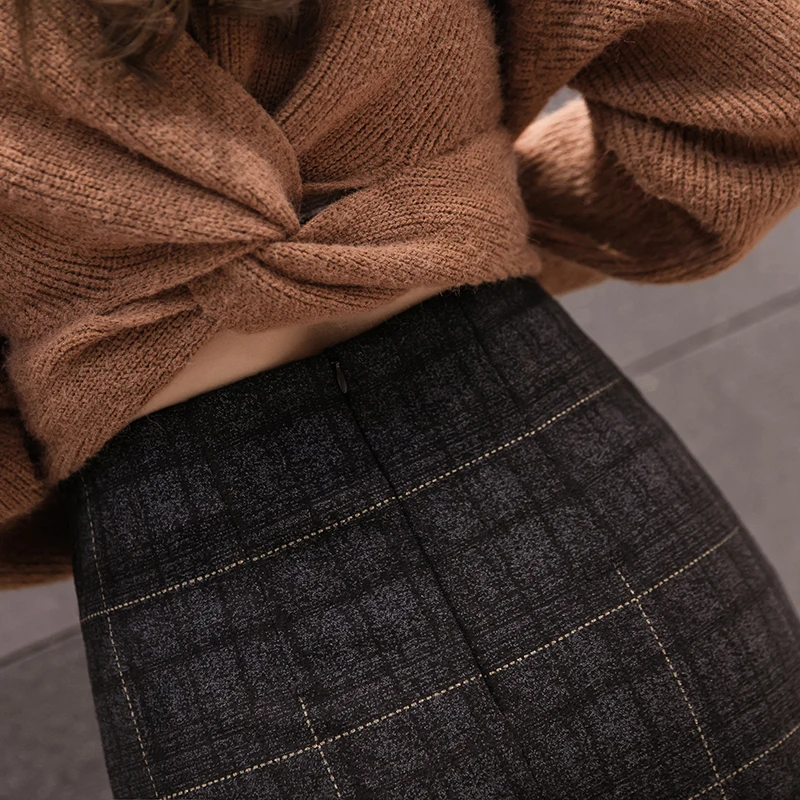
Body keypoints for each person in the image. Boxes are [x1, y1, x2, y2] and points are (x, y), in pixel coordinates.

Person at [1, 0, 799, 796]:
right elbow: (763, 86)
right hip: (601, 526)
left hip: (205, 611)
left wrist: (77, 425)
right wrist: (448, 228)